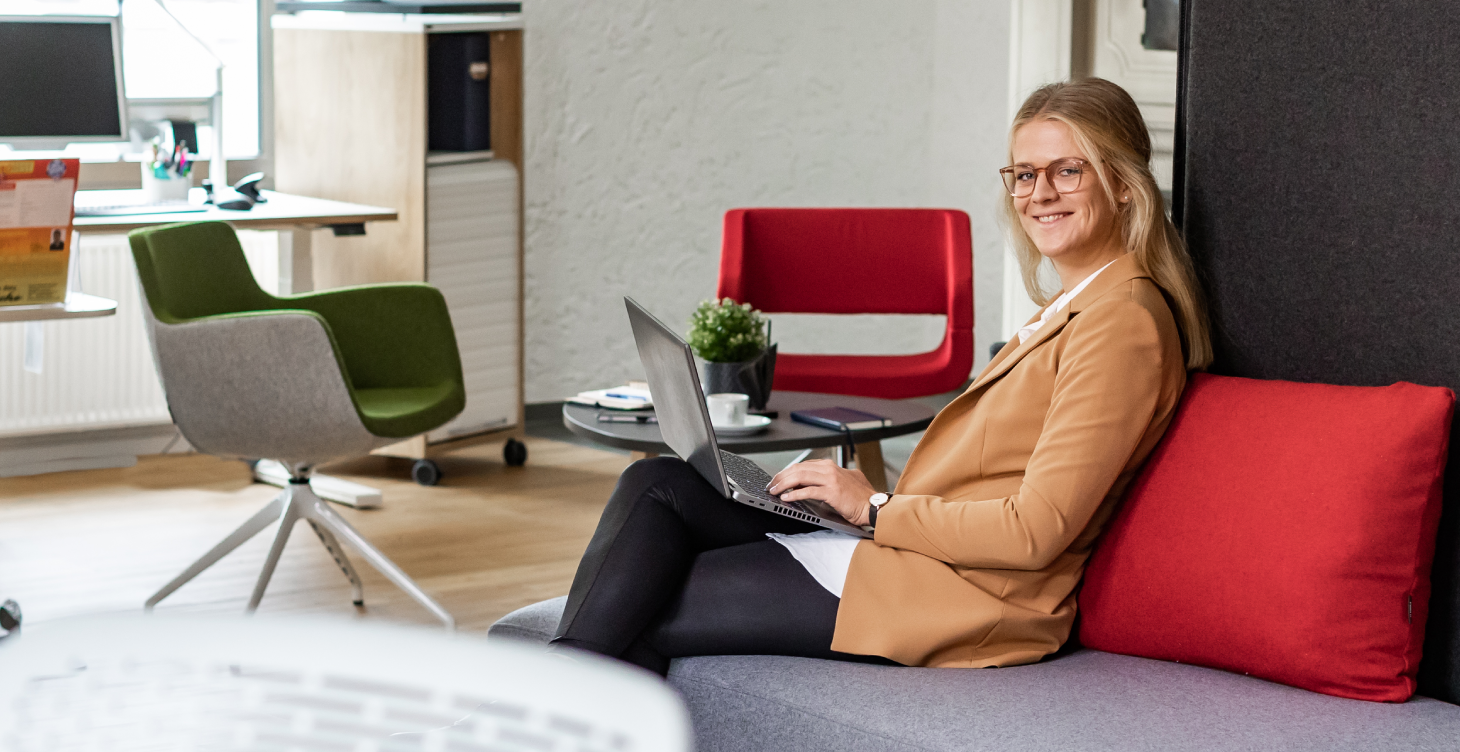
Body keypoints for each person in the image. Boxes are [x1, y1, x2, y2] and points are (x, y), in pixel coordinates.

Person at [550, 78, 1213, 675]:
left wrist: (871, 507)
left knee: (637, 602)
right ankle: (556, 698)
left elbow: (1034, 531)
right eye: (1024, 174)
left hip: (964, 592)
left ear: (1123, 183)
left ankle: (545, 701)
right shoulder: (1073, 306)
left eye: (1068, 171)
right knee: (657, 481)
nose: (1039, 194)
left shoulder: (1122, 323)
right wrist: (859, 511)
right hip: (910, 553)